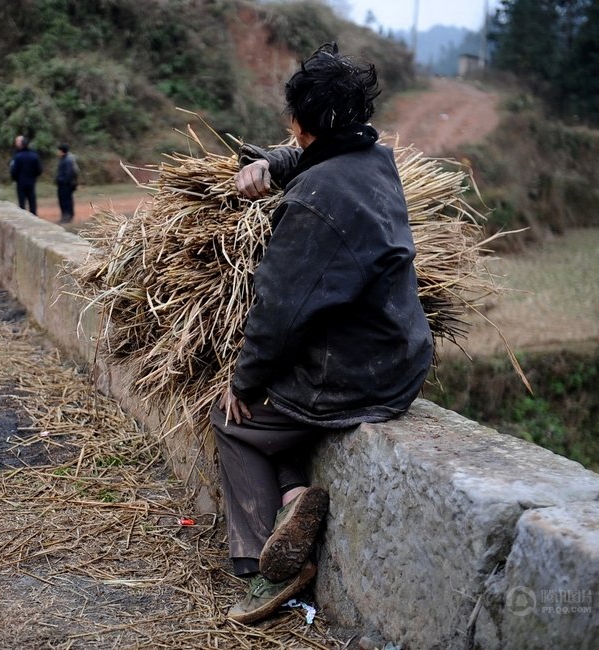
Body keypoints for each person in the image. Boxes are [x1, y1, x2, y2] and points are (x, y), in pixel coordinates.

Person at [211, 43, 434, 625]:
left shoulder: (314, 202)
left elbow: (278, 311)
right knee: (280, 413)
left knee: (235, 420)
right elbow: (322, 157)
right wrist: (275, 164)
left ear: (301, 121)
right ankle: (293, 500)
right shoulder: (374, 160)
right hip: (400, 356)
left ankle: (266, 571)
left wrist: (243, 379)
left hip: (353, 375)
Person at [10, 134, 42, 215]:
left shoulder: (18, 156)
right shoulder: (34, 156)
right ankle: (34, 215)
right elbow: (39, 170)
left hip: (21, 182)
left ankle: (22, 217)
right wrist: (34, 176)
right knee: (32, 200)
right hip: (31, 181)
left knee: (22, 201)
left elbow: (14, 170)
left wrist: (16, 178)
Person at [55, 143, 80, 224]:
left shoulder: (67, 160)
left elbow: (68, 174)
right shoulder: (63, 159)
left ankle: (68, 216)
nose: (57, 152)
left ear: (62, 151)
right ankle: (65, 215)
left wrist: (61, 180)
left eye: (58, 150)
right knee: (62, 200)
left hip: (66, 185)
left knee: (66, 200)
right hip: (62, 184)